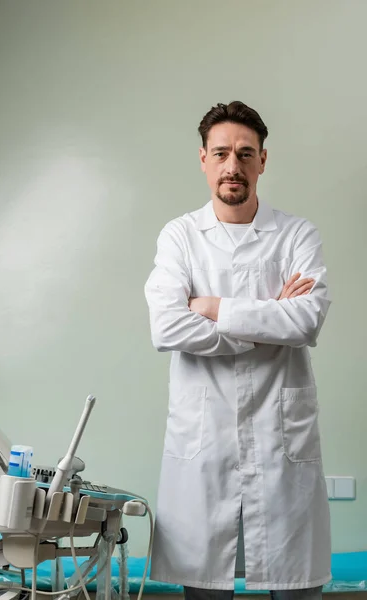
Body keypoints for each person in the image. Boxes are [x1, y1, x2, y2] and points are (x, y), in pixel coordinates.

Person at [144, 101, 331, 600]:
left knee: (294, 584)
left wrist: (209, 306)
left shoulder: (296, 235)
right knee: (205, 584)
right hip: (205, 446)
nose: (233, 165)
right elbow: (166, 327)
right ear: (203, 159)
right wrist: (267, 318)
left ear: (263, 161)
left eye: (245, 154)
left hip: (280, 442)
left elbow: (307, 319)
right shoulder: (180, 236)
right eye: (221, 153)